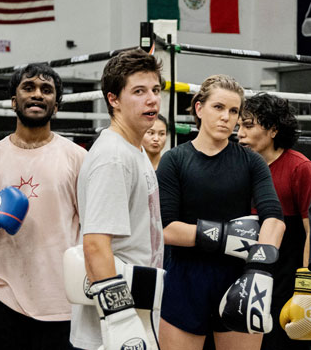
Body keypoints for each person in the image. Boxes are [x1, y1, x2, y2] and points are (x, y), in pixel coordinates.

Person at [0, 63, 86, 350]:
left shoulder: (77, 158)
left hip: (61, 300)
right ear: (14, 101)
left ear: (56, 105)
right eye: (28, 88)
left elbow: (93, 229)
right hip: (3, 297)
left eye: (46, 90)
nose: (37, 94)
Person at [157, 74, 286, 350]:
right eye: (218, 107)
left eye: (234, 111)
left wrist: (259, 268)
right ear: (199, 108)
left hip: (239, 278)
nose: (226, 117)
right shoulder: (175, 160)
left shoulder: (252, 162)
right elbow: (165, 229)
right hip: (185, 280)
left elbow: (273, 218)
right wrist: (227, 236)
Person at [69, 48, 165, 350]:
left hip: (139, 304)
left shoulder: (134, 149)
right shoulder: (113, 158)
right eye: (139, 91)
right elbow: (95, 244)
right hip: (110, 325)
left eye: (155, 90)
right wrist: (120, 318)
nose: (151, 99)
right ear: (113, 99)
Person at [238, 92, 311, 350]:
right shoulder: (239, 166)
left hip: (286, 283)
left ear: (272, 130)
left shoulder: (299, 168)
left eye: (248, 125)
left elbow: (309, 230)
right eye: (239, 126)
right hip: (246, 278)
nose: (239, 134)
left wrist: (305, 290)